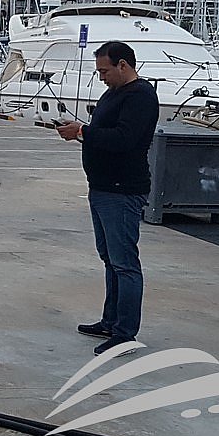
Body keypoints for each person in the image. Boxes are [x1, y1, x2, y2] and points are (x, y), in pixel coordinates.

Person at [56, 40, 160, 356]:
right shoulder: (113, 93)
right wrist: (81, 133)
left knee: (124, 261)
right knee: (110, 258)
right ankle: (111, 320)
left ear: (122, 65)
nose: (101, 77)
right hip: (102, 187)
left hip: (121, 189)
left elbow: (125, 139)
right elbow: (104, 134)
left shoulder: (140, 96)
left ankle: (125, 333)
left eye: (105, 71)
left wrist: (83, 132)